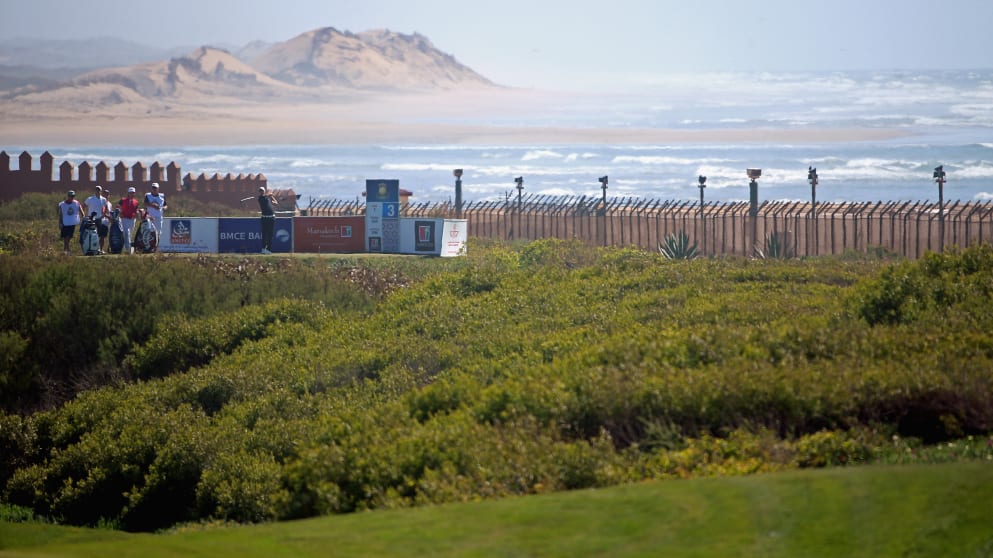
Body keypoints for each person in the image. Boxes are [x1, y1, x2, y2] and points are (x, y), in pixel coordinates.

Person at [83, 185, 109, 253]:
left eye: (99, 190)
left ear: (100, 191)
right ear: (95, 191)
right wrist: (85, 215)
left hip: (99, 219)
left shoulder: (103, 199)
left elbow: (106, 207)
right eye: (96, 190)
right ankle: (92, 248)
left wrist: (103, 215)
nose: (97, 191)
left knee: (99, 235)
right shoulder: (90, 198)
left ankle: (99, 249)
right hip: (90, 219)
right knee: (91, 234)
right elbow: (83, 206)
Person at [57, 190, 83, 255]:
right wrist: (60, 223)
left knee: (68, 237)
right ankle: (67, 251)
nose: (72, 197)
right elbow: (60, 215)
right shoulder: (62, 204)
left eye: (73, 196)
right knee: (66, 237)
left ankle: (66, 251)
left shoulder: (76, 203)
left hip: (72, 223)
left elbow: (81, 210)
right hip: (65, 223)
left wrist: (83, 216)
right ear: (68, 196)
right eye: (71, 196)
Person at [144, 182, 167, 250]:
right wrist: (153, 205)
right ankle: (148, 247)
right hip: (149, 217)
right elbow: (145, 203)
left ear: (158, 189)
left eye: (155, 188)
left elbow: (165, 205)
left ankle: (156, 248)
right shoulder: (147, 195)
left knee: (158, 232)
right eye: (153, 188)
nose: (154, 189)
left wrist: (164, 208)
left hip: (158, 217)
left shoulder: (162, 196)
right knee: (149, 232)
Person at [118, 187, 140, 254]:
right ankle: (128, 249)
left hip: (132, 219)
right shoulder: (123, 200)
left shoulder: (136, 202)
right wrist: (120, 213)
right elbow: (117, 207)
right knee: (126, 233)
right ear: (128, 193)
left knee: (129, 234)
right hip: (124, 219)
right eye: (130, 192)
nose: (132, 194)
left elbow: (136, 210)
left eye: (133, 193)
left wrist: (137, 213)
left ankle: (126, 248)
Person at [258, 186, 278, 254]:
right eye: (260, 191)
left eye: (262, 190)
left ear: (264, 191)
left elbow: (276, 203)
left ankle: (268, 249)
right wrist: (270, 194)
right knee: (264, 234)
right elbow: (266, 196)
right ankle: (263, 249)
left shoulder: (268, 198)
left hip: (271, 218)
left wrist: (272, 197)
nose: (261, 192)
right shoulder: (260, 198)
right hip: (264, 218)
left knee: (270, 235)